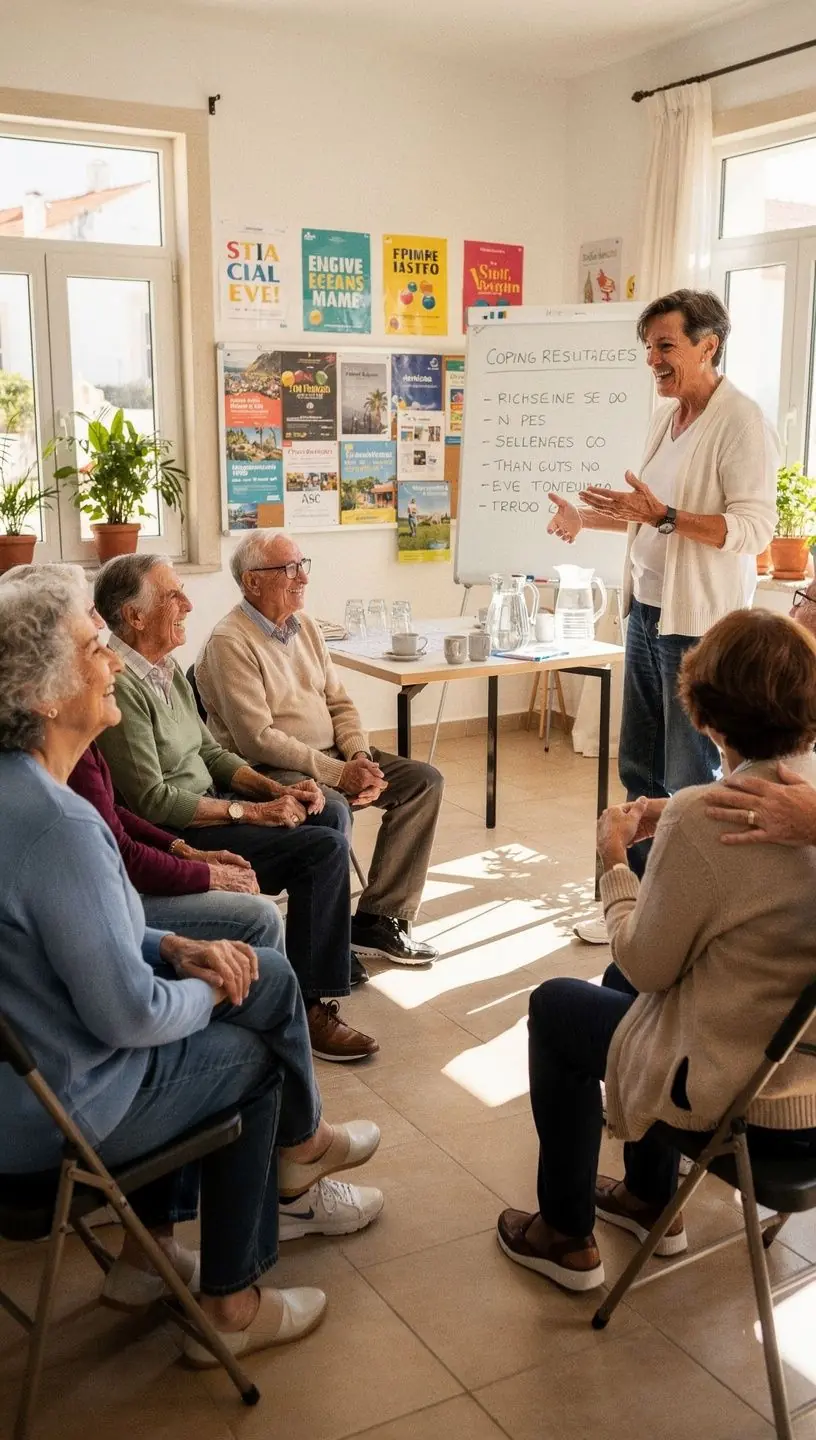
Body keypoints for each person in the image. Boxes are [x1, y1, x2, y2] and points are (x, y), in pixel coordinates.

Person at [0, 575, 384, 1361]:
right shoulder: (58, 825)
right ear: (42, 694)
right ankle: (232, 1309)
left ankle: (150, 1259)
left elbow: (66, 942)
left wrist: (172, 948)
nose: (109, 654)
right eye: (90, 645)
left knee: (261, 976)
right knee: (253, 1053)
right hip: (52, 1122)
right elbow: (131, 1017)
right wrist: (206, 987)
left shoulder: (18, 792)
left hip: (24, 1082)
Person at [497, 610, 816, 1292]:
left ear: (704, 716)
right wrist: (674, 821)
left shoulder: (704, 817)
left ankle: (565, 1233)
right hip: (804, 1072)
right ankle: (649, 1199)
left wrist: (615, 863)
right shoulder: (801, 799)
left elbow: (651, 964)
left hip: (751, 1098)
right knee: (614, 978)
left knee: (556, 1005)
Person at [547, 289, 778, 943]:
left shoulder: (741, 421)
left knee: (686, 778)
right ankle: (637, 903)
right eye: (647, 346)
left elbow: (754, 529)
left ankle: (685, 918)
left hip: (698, 624)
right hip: (646, 613)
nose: (652, 358)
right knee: (638, 768)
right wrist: (586, 518)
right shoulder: (667, 416)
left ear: (709, 344)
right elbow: (647, 513)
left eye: (665, 345)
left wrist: (666, 517)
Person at [92, 554, 377, 1064]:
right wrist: (253, 815)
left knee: (327, 813)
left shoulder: (165, 667)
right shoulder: (122, 684)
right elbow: (153, 801)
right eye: (173, 595)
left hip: (214, 803)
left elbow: (210, 753)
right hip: (179, 830)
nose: (188, 603)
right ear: (135, 617)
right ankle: (312, 1004)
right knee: (323, 850)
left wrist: (274, 791)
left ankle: (324, 956)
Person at [0, 562, 286, 953]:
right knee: (269, 913)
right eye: (91, 631)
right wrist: (204, 871)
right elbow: (128, 844)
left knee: (327, 819)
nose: (104, 627)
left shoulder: (82, 739)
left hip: (164, 847)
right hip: (134, 879)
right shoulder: (57, 756)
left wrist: (187, 852)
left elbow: (120, 812)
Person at [195, 531, 443, 966]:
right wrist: (336, 774)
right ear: (252, 581)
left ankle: (378, 919)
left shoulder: (306, 627)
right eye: (288, 568)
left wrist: (359, 757)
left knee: (423, 781)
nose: (303, 577)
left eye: (302, 564)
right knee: (331, 806)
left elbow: (340, 703)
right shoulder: (229, 641)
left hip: (331, 755)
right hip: (266, 768)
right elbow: (258, 739)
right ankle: (329, 940)